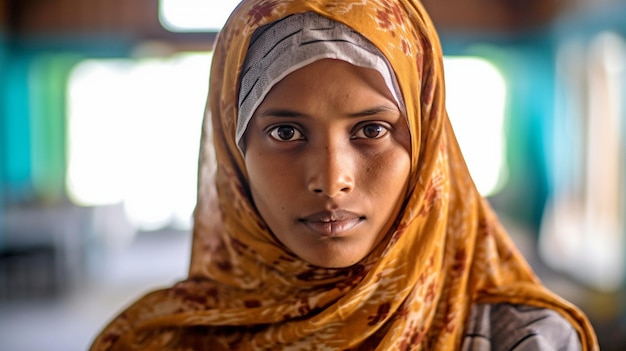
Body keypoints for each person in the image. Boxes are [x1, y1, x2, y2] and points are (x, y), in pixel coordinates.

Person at [90, 0, 598, 350]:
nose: (331, 180)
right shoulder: (152, 341)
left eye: (372, 129)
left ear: (425, 148)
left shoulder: (524, 340)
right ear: (232, 150)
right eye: (286, 133)